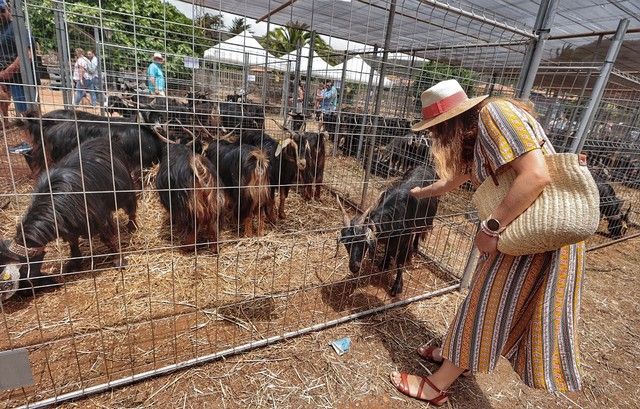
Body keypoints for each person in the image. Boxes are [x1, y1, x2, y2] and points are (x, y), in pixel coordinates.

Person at [389, 79, 585, 405]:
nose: (436, 135)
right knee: (487, 301)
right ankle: (455, 355)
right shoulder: (478, 135)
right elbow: (458, 178)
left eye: (438, 127)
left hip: (534, 235)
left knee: (488, 305)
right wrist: (420, 192)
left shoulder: (496, 114)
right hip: (520, 233)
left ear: (452, 119)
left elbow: (536, 175)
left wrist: (492, 227)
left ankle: (437, 385)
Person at [0, 0, 38, 116]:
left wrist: (9, 70)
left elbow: (27, 53)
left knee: (27, 111)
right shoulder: (1, 30)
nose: (0, 14)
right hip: (6, 75)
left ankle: (31, 127)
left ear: (9, 10)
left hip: (20, 77)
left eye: (2, 11)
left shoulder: (17, 27)